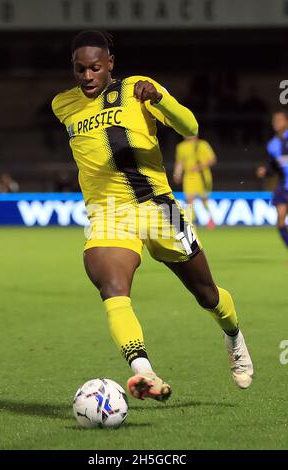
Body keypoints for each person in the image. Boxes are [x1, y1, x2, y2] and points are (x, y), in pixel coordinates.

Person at [52, 30, 253, 402]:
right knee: (112, 288)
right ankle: (144, 372)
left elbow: (190, 127)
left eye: (95, 67)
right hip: (108, 214)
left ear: (110, 63)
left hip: (159, 207)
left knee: (207, 294)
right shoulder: (63, 104)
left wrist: (160, 98)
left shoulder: (138, 89)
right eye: (80, 69)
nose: (87, 76)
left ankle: (234, 336)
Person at [257, 109, 288, 249]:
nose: (276, 123)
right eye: (274, 120)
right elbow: (273, 167)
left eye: (279, 120)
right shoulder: (272, 144)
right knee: (280, 221)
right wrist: (265, 171)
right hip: (283, 186)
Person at [173, 136, 216, 228]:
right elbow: (180, 162)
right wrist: (177, 174)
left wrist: (199, 167)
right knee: (189, 199)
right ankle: (190, 222)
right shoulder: (181, 146)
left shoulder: (202, 144)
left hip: (202, 175)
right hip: (189, 176)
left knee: (204, 198)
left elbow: (212, 160)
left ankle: (211, 219)